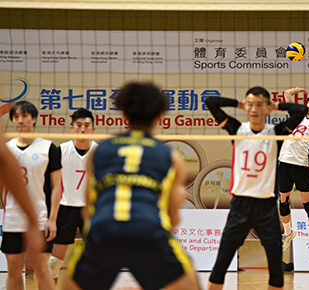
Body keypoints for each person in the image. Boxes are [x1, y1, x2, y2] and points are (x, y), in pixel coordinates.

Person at [63, 82, 200, 290]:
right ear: (159, 117)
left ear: (124, 116)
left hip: (104, 231)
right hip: (148, 231)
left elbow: (88, 210)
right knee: (192, 284)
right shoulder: (171, 157)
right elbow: (172, 218)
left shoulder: (99, 152)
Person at [205, 87, 308, 290]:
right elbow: (210, 102)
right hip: (240, 206)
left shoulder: (276, 133)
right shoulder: (237, 129)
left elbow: (301, 110)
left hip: (267, 208)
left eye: (260, 105)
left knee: (276, 271)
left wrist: (275, 106)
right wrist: (239, 104)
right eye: (250, 104)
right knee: (220, 265)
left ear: (267, 108)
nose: (254, 109)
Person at [1, 101, 62, 290]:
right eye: (16, 117)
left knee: (42, 269)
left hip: (40, 218)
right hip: (12, 218)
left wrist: (52, 219)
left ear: (34, 119)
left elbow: (57, 186)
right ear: (12, 120)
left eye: (25, 116)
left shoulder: (48, 148)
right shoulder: (6, 149)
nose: (20, 121)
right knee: (13, 270)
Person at [48, 108, 98, 283]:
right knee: (53, 263)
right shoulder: (60, 151)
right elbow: (53, 186)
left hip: (91, 210)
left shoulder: (100, 153)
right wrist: (52, 218)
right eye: (79, 125)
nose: (82, 129)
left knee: (97, 262)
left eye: (86, 125)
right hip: (65, 208)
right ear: (72, 127)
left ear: (93, 128)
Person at [278, 91, 309, 262]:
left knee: (308, 205)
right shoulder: (297, 115)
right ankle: (288, 232)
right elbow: (287, 94)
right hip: (284, 163)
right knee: (283, 201)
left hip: (301, 166)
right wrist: (295, 90)